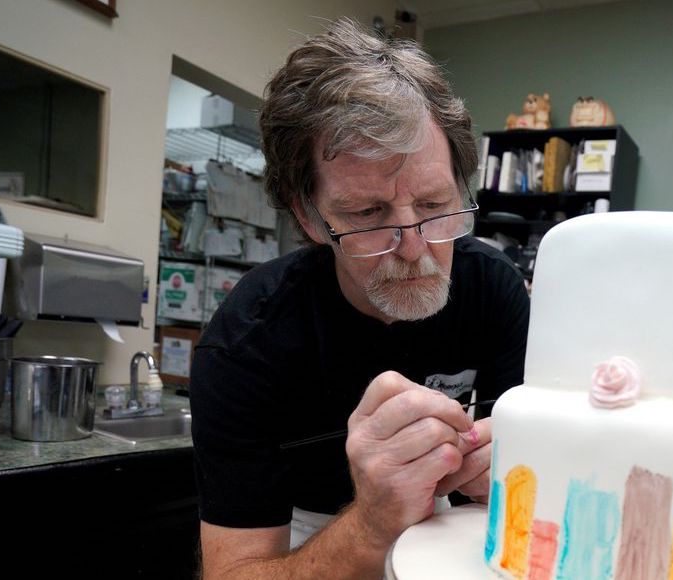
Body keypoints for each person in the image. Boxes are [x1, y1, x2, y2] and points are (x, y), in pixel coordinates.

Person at [189, 18, 530, 579]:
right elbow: (233, 573)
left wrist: (510, 473)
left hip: (438, 521)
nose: (415, 248)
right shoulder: (248, 341)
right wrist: (373, 522)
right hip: (302, 538)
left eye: (434, 204)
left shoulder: (492, 288)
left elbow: (519, 498)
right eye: (368, 215)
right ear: (310, 217)